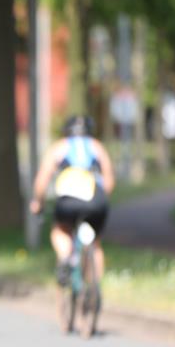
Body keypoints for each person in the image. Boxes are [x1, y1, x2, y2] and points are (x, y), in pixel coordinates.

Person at [29, 115, 116, 285]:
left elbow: (41, 182)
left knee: (60, 230)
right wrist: (101, 200)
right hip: (96, 200)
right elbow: (109, 182)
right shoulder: (97, 147)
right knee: (95, 242)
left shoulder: (59, 148)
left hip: (68, 201)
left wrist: (38, 202)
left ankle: (64, 258)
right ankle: (94, 290)